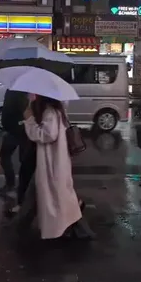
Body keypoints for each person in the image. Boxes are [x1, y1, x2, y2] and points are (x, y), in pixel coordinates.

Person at [22, 94, 90, 240]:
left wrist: (30, 120)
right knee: (57, 196)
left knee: (54, 198)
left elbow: (47, 135)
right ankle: (74, 223)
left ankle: (66, 228)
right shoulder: (59, 111)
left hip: (52, 163)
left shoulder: (50, 113)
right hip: (58, 162)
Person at [0, 88, 36, 214]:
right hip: (15, 129)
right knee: (16, 158)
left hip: (18, 130)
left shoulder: (18, 91)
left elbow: (25, 110)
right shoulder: (15, 90)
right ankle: (15, 187)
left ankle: (16, 189)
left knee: (20, 160)